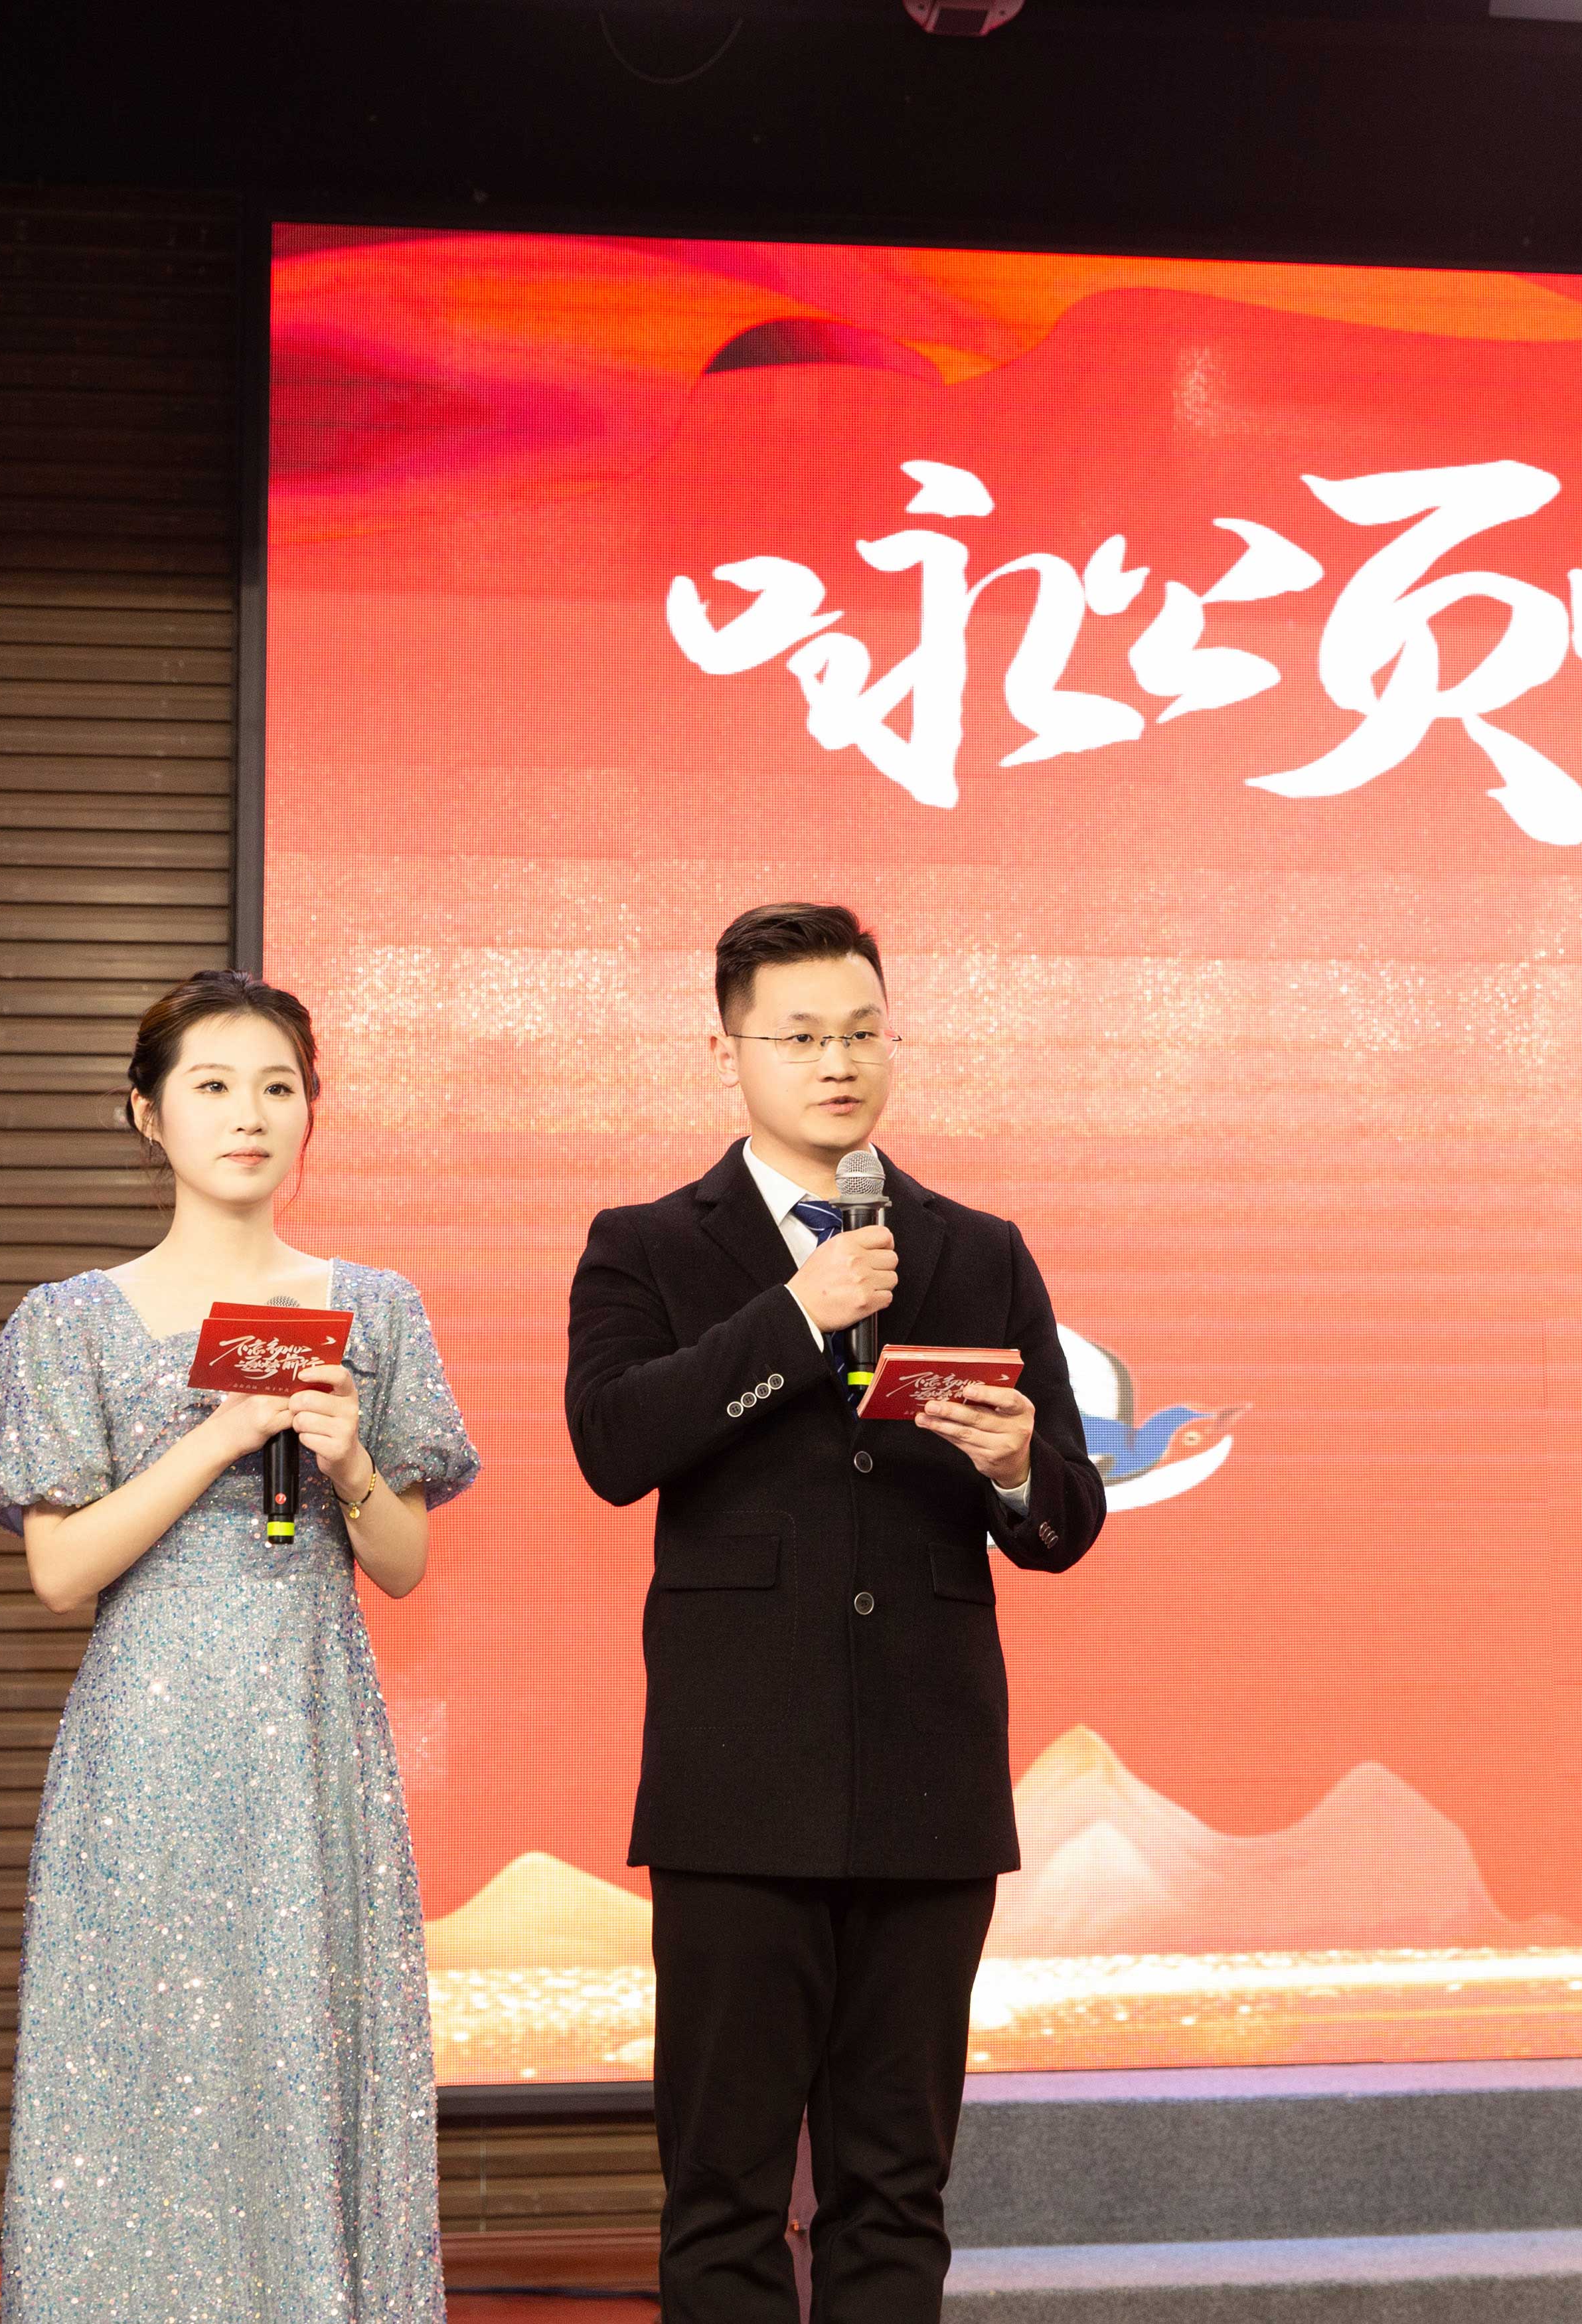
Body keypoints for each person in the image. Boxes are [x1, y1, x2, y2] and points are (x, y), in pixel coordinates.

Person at [565, 903, 1106, 2323]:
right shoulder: (645, 1247)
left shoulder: (978, 1249)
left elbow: (1067, 1516)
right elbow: (614, 1445)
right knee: (725, 2193)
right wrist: (798, 1317)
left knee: (896, 2190)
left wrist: (1015, 1469)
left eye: (863, 1032)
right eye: (801, 1036)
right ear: (727, 1050)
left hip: (929, 1785)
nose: (838, 1063)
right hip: (738, 1788)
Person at [0, 968, 477, 2323]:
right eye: (211, 1085)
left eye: (277, 1086)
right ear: (146, 1112)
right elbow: (60, 1571)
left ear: (310, 1109)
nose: (249, 1114)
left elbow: (404, 1564)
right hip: (147, 1743)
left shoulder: (376, 1308)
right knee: (140, 2073)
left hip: (312, 1734)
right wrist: (222, 1434)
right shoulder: (69, 1320)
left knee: (310, 2053)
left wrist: (350, 1460)